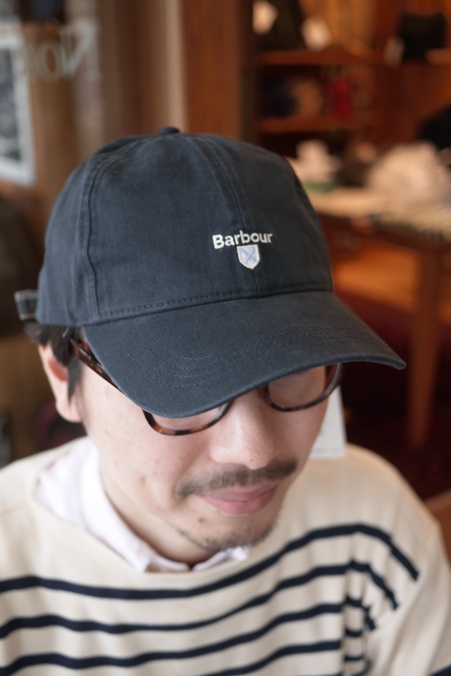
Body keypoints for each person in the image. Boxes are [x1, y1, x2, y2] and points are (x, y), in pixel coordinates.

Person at [3, 128, 451, 675]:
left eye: (290, 369)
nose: (254, 451)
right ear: (60, 375)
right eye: (179, 384)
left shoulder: (376, 523)